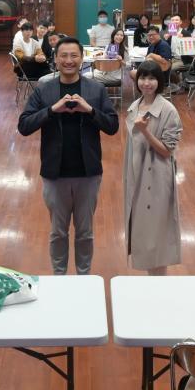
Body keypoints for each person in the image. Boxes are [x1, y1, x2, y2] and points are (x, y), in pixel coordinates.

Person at [17, 38, 119, 275]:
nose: (69, 61)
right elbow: (24, 126)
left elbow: (112, 126)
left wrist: (90, 110)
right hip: (55, 173)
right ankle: (59, 277)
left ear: (82, 59)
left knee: (85, 233)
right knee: (58, 232)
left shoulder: (96, 90)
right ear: (55, 59)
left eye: (74, 55)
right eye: (63, 56)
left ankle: (83, 277)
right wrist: (52, 110)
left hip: (88, 173)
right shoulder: (44, 89)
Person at [124, 61, 183, 275]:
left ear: (160, 81)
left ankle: (158, 284)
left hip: (157, 177)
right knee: (143, 230)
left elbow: (167, 151)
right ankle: (151, 283)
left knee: (157, 235)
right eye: (142, 77)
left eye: (152, 78)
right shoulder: (135, 106)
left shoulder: (168, 110)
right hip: (137, 175)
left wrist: (146, 132)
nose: (146, 83)